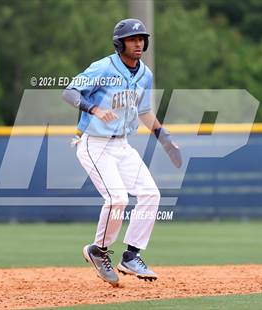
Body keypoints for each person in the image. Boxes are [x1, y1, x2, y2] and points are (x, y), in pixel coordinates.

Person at [62, 18, 181, 287]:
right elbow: (69, 92)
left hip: (122, 145)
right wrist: (94, 109)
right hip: (94, 143)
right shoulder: (103, 67)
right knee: (117, 199)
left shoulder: (145, 74)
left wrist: (166, 139)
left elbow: (144, 112)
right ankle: (98, 250)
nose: (138, 43)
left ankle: (131, 256)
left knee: (151, 194)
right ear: (120, 43)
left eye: (141, 38)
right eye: (132, 39)